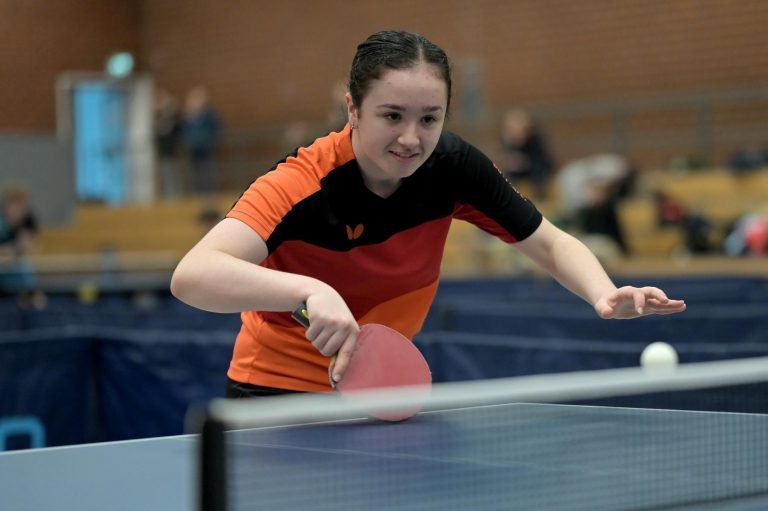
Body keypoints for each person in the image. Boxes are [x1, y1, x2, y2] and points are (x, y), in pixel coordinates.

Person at [170, 30, 686, 398]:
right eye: (391, 115)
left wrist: (601, 292)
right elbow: (192, 276)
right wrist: (308, 290)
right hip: (274, 393)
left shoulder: (454, 169)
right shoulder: (303, 182)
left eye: (429, 119)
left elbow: (548, 242)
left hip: (378, 393)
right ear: (353, 109)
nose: (410, 138)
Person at [498, 108, 554, 199]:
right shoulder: (508, 144)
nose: (516, 134)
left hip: (537, 181)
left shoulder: (535, 144)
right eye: (512, 130)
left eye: (519, 129)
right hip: (518, 184)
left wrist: (525, 163)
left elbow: (544, 165)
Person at [181, 85, 221, 196]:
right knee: (195, 176)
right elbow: (184, 131)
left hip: (207, 149)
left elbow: (215, 128)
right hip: (193, 151)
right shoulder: (187, 116)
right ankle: (197, 196)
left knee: (208, 174)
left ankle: (210, 196)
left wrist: (208, 140)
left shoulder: (209, 114)